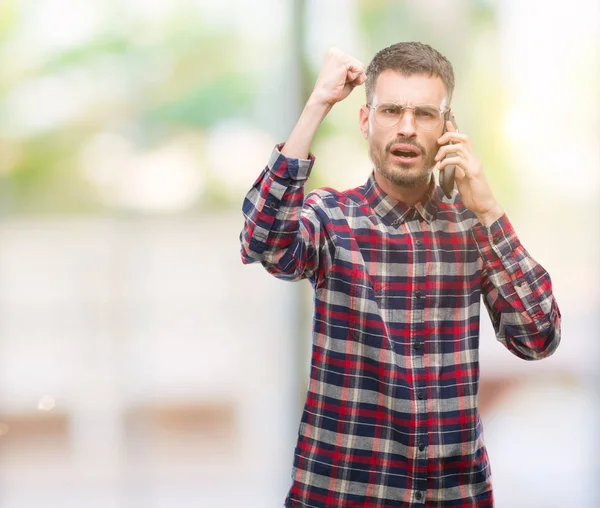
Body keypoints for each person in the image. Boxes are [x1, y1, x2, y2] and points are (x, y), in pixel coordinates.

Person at [239, 42, 561, 508]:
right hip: (344, 493)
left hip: (455, 495)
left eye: (425, 114)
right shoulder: (332, 218)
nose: (407, 128)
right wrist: (317, 104)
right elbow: (262, 241)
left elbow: (538, 338)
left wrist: (489, 209)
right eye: (391, 110)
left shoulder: (475, 226)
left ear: (448, 129)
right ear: (366, 120)